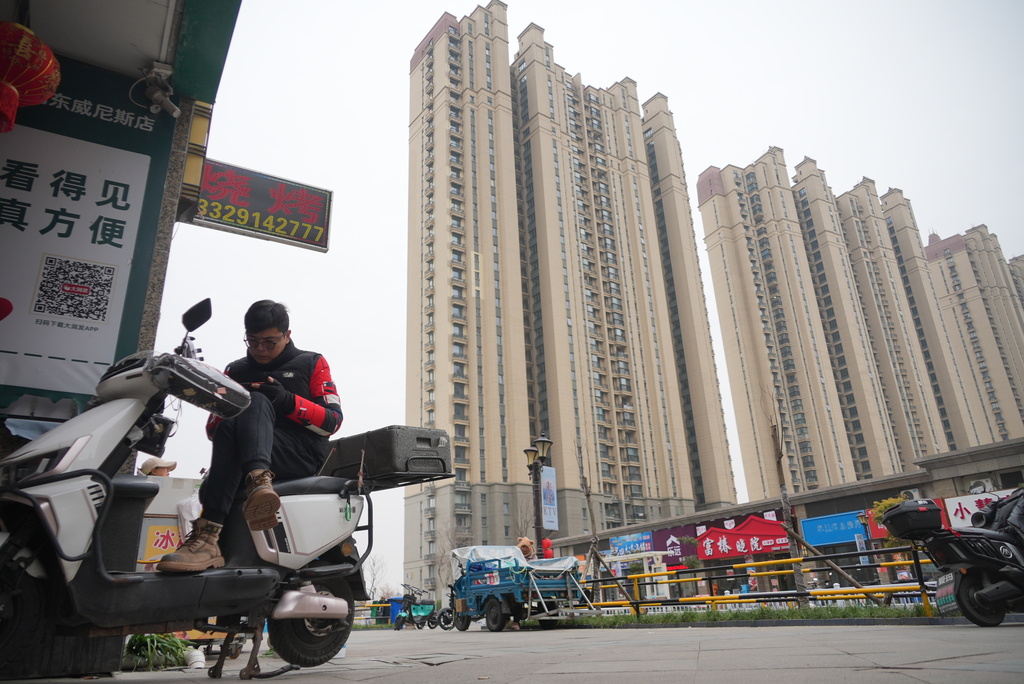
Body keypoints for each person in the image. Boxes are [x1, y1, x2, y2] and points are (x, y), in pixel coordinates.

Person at [157, 300, 343, 572]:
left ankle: (208, 536)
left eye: (269, 342)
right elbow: (213, 429)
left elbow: (333, 422)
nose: (260, 350)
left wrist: (286, 401)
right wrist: (230, 403)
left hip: (298, 454)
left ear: (287, 335)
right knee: (242, 411)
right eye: (252, 342)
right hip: (246, 456)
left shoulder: (312, 362)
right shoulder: (235, 370)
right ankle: (233, 513)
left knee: (254, 401)